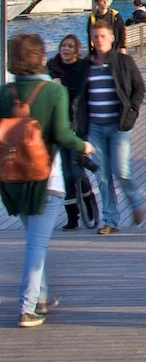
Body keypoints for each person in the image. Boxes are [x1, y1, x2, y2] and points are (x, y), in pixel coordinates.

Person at [1, 33, 95, 328]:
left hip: (11, 177)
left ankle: (41, 296)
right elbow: (63, 134)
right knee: (37, 245)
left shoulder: (4, 92)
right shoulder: (54, 91)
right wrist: (84, 146)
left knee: (33, 238)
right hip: (45, 178)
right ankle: (27, 307)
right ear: (41, 58)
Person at [70, 20, 146, 235]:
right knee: (102, 176)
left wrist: (132, 111)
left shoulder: (124, 62)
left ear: (112, 38)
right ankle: (111, 219)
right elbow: (77, 94)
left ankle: (136, 202)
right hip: (94, 127)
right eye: (95, 37)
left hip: (119, 126)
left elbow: (139, 87)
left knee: (121, 171)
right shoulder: (86, 65)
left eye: (103, 36)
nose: (99, 40)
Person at [46, 35, 87, 230]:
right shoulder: (52, 68)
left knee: (76, 170)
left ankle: (89, 202)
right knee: (66, 173)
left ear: (77, 50)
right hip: (60, 126)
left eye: (70, 46)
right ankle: (72, 216)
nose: (66, 49)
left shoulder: (83, 69)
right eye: (64, 45)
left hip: (79, 124)